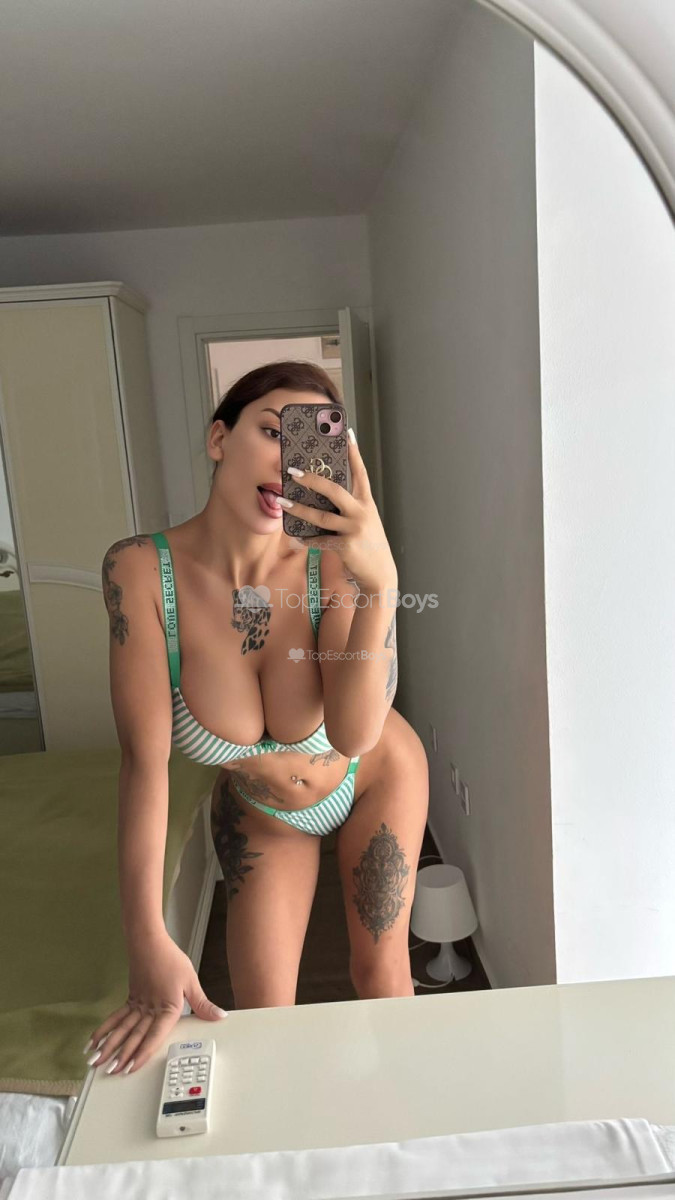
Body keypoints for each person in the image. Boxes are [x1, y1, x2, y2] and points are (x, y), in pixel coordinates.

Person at [84, 361, 429, 1078]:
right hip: (263, 811)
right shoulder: (139, 572)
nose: (290, 464)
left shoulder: (334, 566)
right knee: (264, 1020)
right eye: (273, 432)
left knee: (382, 981)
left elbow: (353, 734)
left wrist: (382, 585)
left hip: (374, 777)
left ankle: (403, 1131)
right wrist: (145, 937)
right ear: (219, 439)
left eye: (311, 444)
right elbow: (144, 764)